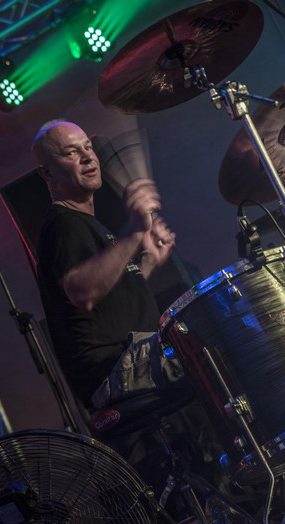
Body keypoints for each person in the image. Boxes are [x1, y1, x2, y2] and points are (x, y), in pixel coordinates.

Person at [32, 119, 187, 409]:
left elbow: (110, 295)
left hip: (134, 357)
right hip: (113, 370)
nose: (87, 157)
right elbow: (82, 292)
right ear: (47, 172)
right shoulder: (63, 224)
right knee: (209, 351)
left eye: (88, 147)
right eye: (71, 153)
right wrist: (136, 231)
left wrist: (149, 261)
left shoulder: (87, 223)